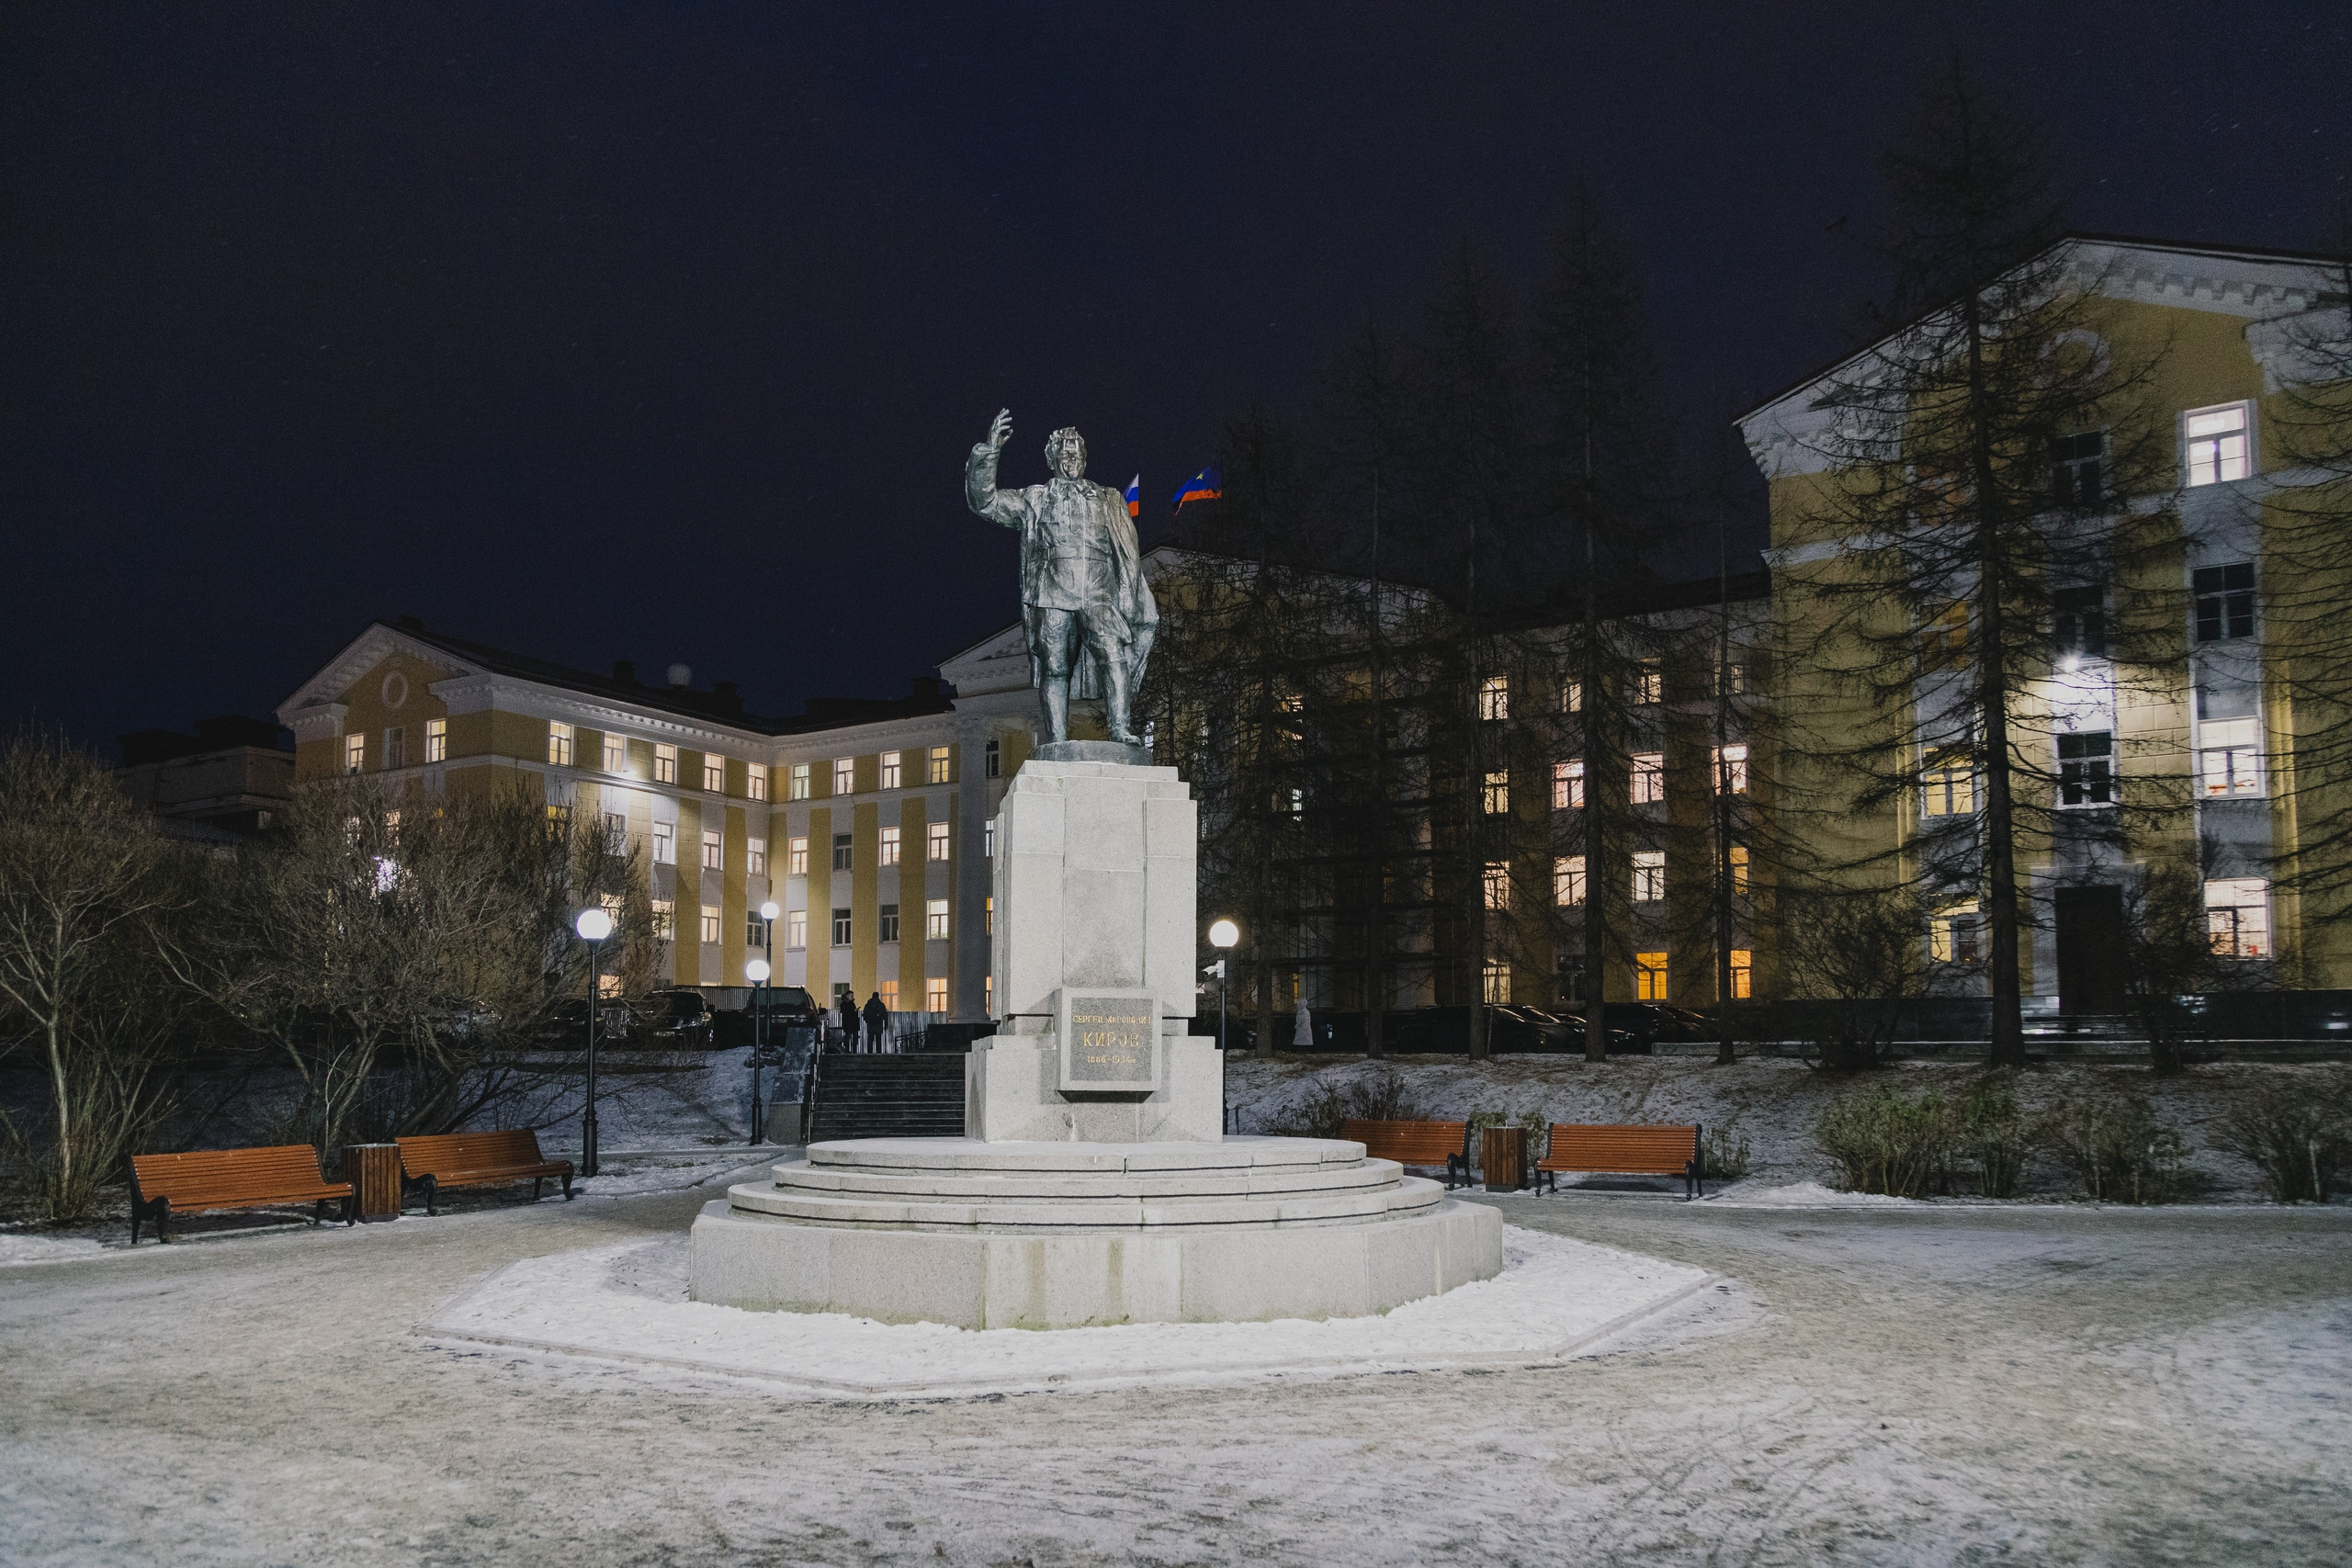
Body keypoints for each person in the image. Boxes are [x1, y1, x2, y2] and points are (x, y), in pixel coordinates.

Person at [965, 411, 1159, 746]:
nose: (1072, 459)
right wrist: (990, 450)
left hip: (1099, 592)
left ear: (1085, 459)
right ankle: (1057, 740)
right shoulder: (1035, 498)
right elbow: (986, 502)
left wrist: (1131, 598)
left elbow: (1127, 553)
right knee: (1055, 668)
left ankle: (1119, 728)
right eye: (1065, 454)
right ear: (1052, 460)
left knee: (1113, 654)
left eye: (1077, 454)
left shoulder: (1109, 499)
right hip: (1052, 593)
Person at [863, 991, 890, 1055]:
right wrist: (886, 1024)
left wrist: (867, 1021)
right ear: (878, 996)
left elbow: (865, 1014)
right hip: (878, 1024)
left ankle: (869, 1052)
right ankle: (878, 1052)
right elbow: (885, 1015)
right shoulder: (881, 1005)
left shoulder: (868, 1005)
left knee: (870, 1039)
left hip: (870, 1025)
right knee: (878, 1039)